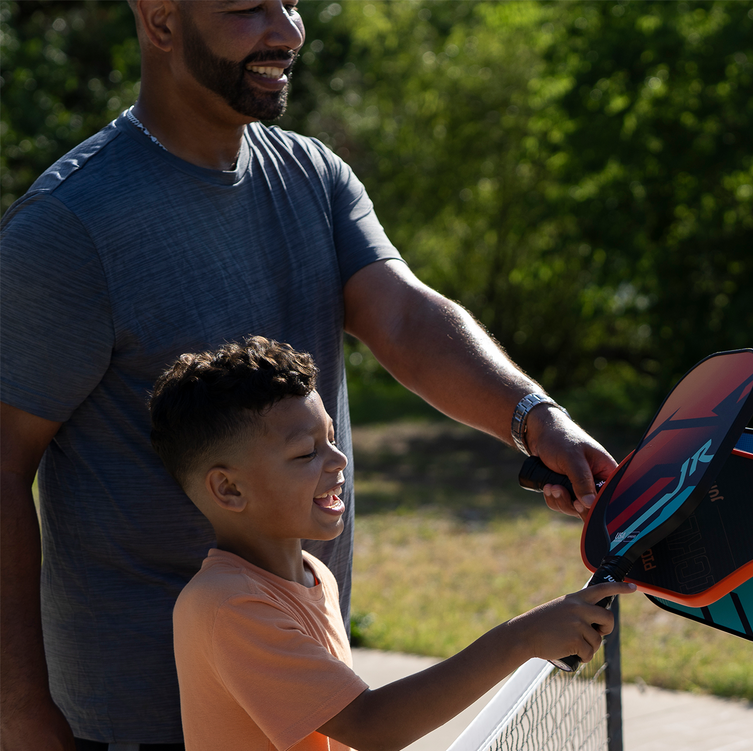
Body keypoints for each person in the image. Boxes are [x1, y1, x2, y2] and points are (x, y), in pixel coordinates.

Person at [0, 1, 608, 748]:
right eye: (247, 8)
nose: (287, 30)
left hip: (298, 719)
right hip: (132, 723)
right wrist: (23, 716)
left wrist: (535, 416)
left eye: (289, 2)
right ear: (161, 22)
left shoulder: (314, 176)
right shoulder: (67, 228)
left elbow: (407, 319)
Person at [150, 337, 630, 751]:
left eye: (332, 440)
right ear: (229, 490)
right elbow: (371, 726)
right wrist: (522, 636)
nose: (338, 460)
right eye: (305, 452)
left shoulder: (315, 575)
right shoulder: (225, 606)